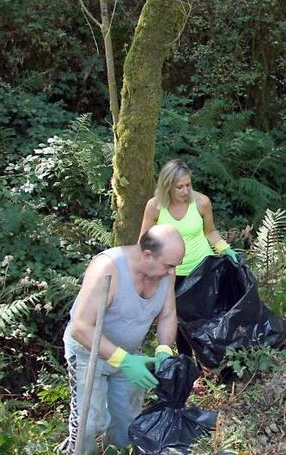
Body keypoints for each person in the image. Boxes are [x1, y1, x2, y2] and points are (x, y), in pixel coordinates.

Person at [62, 225, 184, 454]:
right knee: (90, 425)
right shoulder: (108, 268)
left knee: (126, 423)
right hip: (90, 354)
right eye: (169, 266)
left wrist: (164, 349)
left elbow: (168, 313)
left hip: (131, 354)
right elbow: (81, 327)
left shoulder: (166, 270)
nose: (171, 272)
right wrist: (124, 361)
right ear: (147, 255)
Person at [139, 159, 237, 290]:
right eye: (179, 187)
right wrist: (139, 266)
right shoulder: (154, 206)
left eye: (188, 185)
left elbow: (210, 231)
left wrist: (224, 248)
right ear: (167, 186)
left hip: (202, 270)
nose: (185, 191)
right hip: (167, 272)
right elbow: (143, 240)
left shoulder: (202, 202)